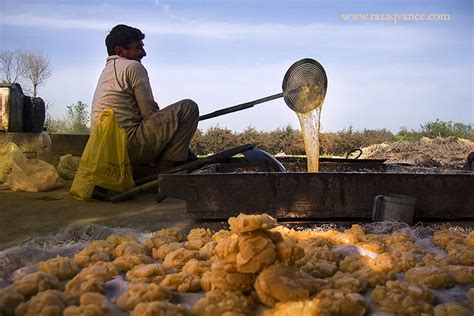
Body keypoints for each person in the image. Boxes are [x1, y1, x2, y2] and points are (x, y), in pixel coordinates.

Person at [91, 24, 199, 173]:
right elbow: (149, 113)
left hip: (104, 149)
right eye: (138, 48)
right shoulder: (133, 66)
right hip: (126, 147)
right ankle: (162, 175)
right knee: (188, 108)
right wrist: (172, 132)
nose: (144, 53)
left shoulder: (107, 71)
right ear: (120, 51)